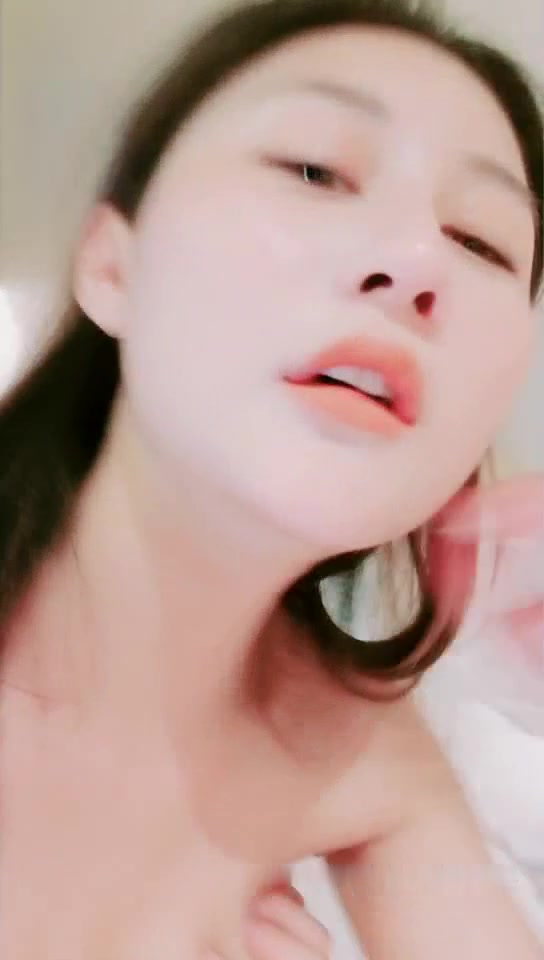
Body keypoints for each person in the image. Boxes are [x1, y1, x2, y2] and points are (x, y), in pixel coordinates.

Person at [0, 0, 542, 956]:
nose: (417, 262)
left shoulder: (369, 769)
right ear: (112, 267)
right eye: (314, 170)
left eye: (482, 241)